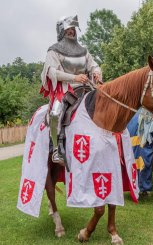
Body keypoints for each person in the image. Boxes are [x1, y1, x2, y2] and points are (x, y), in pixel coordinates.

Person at [40, 15, 102, 164]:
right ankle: (56, 149)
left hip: (86, 88)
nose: (71, 32)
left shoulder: (83, 51)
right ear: (61, 31)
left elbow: (93, 64)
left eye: (73, 29)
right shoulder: (53, 51)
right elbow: (52, 72)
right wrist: (74, 78)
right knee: (56, 113)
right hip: (66, 90)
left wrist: (96, 72)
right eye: (68, 29)